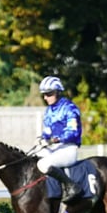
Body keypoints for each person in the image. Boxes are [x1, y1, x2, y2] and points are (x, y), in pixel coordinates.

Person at [35, 75, 82, 204]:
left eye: (48, 94)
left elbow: (73, 132)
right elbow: (47, 132)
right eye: (44, 95)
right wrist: (42, 139)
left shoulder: (70, 108)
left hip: (68, 149)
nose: (45, 97)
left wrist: (57, 140)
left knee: (43, 164)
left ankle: (72, 186)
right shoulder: (49, 111)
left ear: (57, 92)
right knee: (34, 158)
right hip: (55, 149)